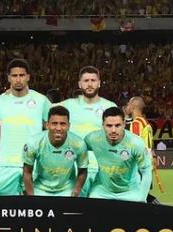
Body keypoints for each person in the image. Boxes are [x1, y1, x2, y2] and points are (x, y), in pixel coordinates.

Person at [0, 58, 51, 196]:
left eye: (21, 75)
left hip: (34, 163)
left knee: (35, 209)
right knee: (5, 209)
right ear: (9, 78)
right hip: (6, 164)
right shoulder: (0, 101)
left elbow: (54, 126)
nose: (18, 79)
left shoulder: (41, 100)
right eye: (14, 75)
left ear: (28, 77)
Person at [58, 66, 117, 197]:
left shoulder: (110, 106)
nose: (89, 84)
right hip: (73, 169)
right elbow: (43, 112)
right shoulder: (67, 105)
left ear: (99, 83)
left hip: (102, 169)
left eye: (93, 80)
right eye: (86, 81)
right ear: (80, 83)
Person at [85, 107, 152, 202]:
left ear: (124, 124)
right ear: (103, 125)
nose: (113, 130)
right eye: (109, 126)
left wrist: (142, 197)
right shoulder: (93, 139)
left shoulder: (135, 143)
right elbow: (78, 150)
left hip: (130, 192)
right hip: (101, 192)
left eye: (117, 125)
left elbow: (146, 171)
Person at [23, 106, 88, 197]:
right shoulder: (33, 143)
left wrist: (75, 193)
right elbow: (27, 172)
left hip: (67, 189)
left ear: (69, 126)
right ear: (47, 125)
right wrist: (31, 197)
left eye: (63, 124)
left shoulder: (78, 144)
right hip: (40, 188)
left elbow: (83, 171)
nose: (58, 128)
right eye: (54, 123)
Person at [127, 96, 160, 204]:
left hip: (139, 163)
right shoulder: (146, 123)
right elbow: (150, 144)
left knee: (137, 194)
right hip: (147, 161)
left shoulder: (136, 123)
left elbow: (135, 145)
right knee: (140, 193)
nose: (126, 106)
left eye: (128, 104)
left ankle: (156, 206)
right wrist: (154, 156)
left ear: (133, 106)